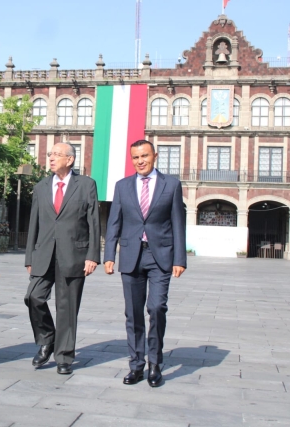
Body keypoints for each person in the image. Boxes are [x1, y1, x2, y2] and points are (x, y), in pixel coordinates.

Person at [103, 139, 187, 387]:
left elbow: (178, 223)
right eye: (136, 157)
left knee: (157, 308)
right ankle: (136, 365)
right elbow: (114, 222)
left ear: (155, 156)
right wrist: (109, 255)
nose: (140, 161)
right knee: (133, 314)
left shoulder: (171, 185)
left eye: (144, 156)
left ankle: (155, 364)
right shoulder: (122, 186)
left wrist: (179, 259)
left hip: (159, 256)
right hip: (130, 256)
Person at [24, 142, 101, 375]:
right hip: (44, 254)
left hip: (74, 254)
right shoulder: (41, 187)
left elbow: (93, 222)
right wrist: (29, 257)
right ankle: (47, 338)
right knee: (33, 297)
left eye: (57, 154)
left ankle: (64, 356)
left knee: (66, 308)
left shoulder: (86, 185)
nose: (51, 158)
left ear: (70, 159)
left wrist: (92, 256)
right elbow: (34, 223)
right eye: (50, 154)